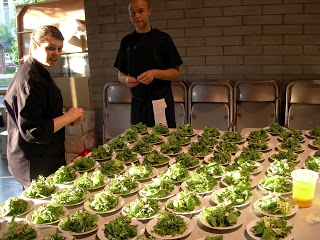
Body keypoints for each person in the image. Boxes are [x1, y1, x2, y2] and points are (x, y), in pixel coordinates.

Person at [4, 25, 84, 188]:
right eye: (50, 48)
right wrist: (67, 117)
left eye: (60, 49)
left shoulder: (39, 71)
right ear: (34, 46)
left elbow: (42, 112)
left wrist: (65, 120)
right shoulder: (30, 80)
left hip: (45, 157)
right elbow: (33, 131)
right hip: (34, 163)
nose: (56, 54)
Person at [114, 0, 183, 128]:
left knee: (164, 141)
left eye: (140, 11)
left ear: (149, 12)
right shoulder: (127, 41)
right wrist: (126, 79)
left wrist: (155, 73)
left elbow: (175, 72)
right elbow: (120, 74)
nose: (137, 16)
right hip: (137, 103)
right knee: (138, 141)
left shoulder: (163, 39)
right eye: (132, 13)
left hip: (160, 103)